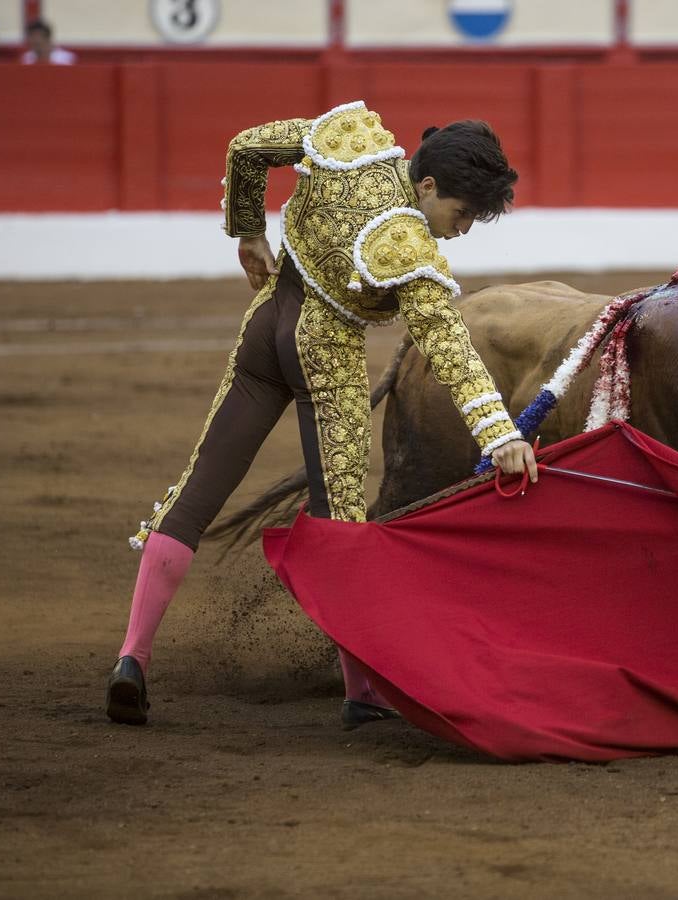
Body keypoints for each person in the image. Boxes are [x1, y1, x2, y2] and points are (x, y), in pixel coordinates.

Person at [105, 101, 538, 729]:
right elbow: (448, 345)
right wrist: (500, 434)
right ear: (428, 186)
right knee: (342, 525)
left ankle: (131, 659)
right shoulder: (406, 246)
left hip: (266, 326)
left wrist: (248, 231)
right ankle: (360, 692)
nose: (463, 229)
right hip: (324, 356)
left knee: (198, 491)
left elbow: (246, 146)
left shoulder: (349, 140)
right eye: (463, 212)